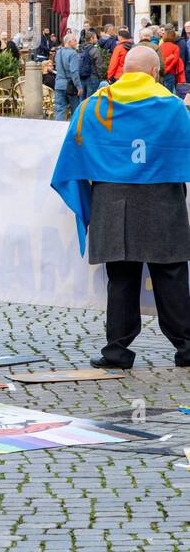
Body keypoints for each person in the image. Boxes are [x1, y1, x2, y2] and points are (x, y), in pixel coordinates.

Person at [51, 45, 190, 370]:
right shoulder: (172, 107)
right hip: (161, 200)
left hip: (112, 201)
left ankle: (117, 350)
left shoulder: (94, 106)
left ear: (123, 71)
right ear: (156, 73)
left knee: (121, 278)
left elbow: (73, 153)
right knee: (170, 276)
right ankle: (187, 347)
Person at [52, 31, 82, 120]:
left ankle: (57, 130)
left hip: (59, 84)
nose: (76, 42)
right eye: (75, 40)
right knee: (75, 111)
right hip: (70, 85)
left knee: (59, 110)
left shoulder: (58, 52)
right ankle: (73, 132)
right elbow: (74, 72)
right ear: (69, 42)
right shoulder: (73, 54)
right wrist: (79, 86)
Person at [158, 25, 186, 93]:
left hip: (161, 71)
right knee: (169, 91)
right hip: (171, 72)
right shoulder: (175, 47)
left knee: (162, 90)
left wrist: (163, 70)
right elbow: (175, 61)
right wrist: (168, 69)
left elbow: (159, 59)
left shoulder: (160, 46)